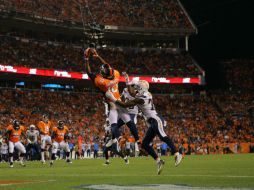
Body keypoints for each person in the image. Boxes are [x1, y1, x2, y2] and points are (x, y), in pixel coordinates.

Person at [105, 79, 183, 175]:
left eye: (138, 87)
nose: (136, 89)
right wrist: (128, 84)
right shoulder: (145, 94)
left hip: (156, 119)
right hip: (151, 122)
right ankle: (158, 161)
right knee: (145, 144)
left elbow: (125, 104)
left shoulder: (142, 98)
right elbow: (133, 94)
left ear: (142, 88)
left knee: (162, 136)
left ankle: (177, 153)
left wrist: (112, 98)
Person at [84, 48, 139, 148]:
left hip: (112, 103)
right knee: (129, 122)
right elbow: (108, 67)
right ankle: (138, 140)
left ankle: (118, 138)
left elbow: (88, 72)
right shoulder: (116, 74)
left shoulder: (101, 82)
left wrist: (87, 59)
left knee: (113, 124)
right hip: (120, 102)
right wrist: (99, 57)